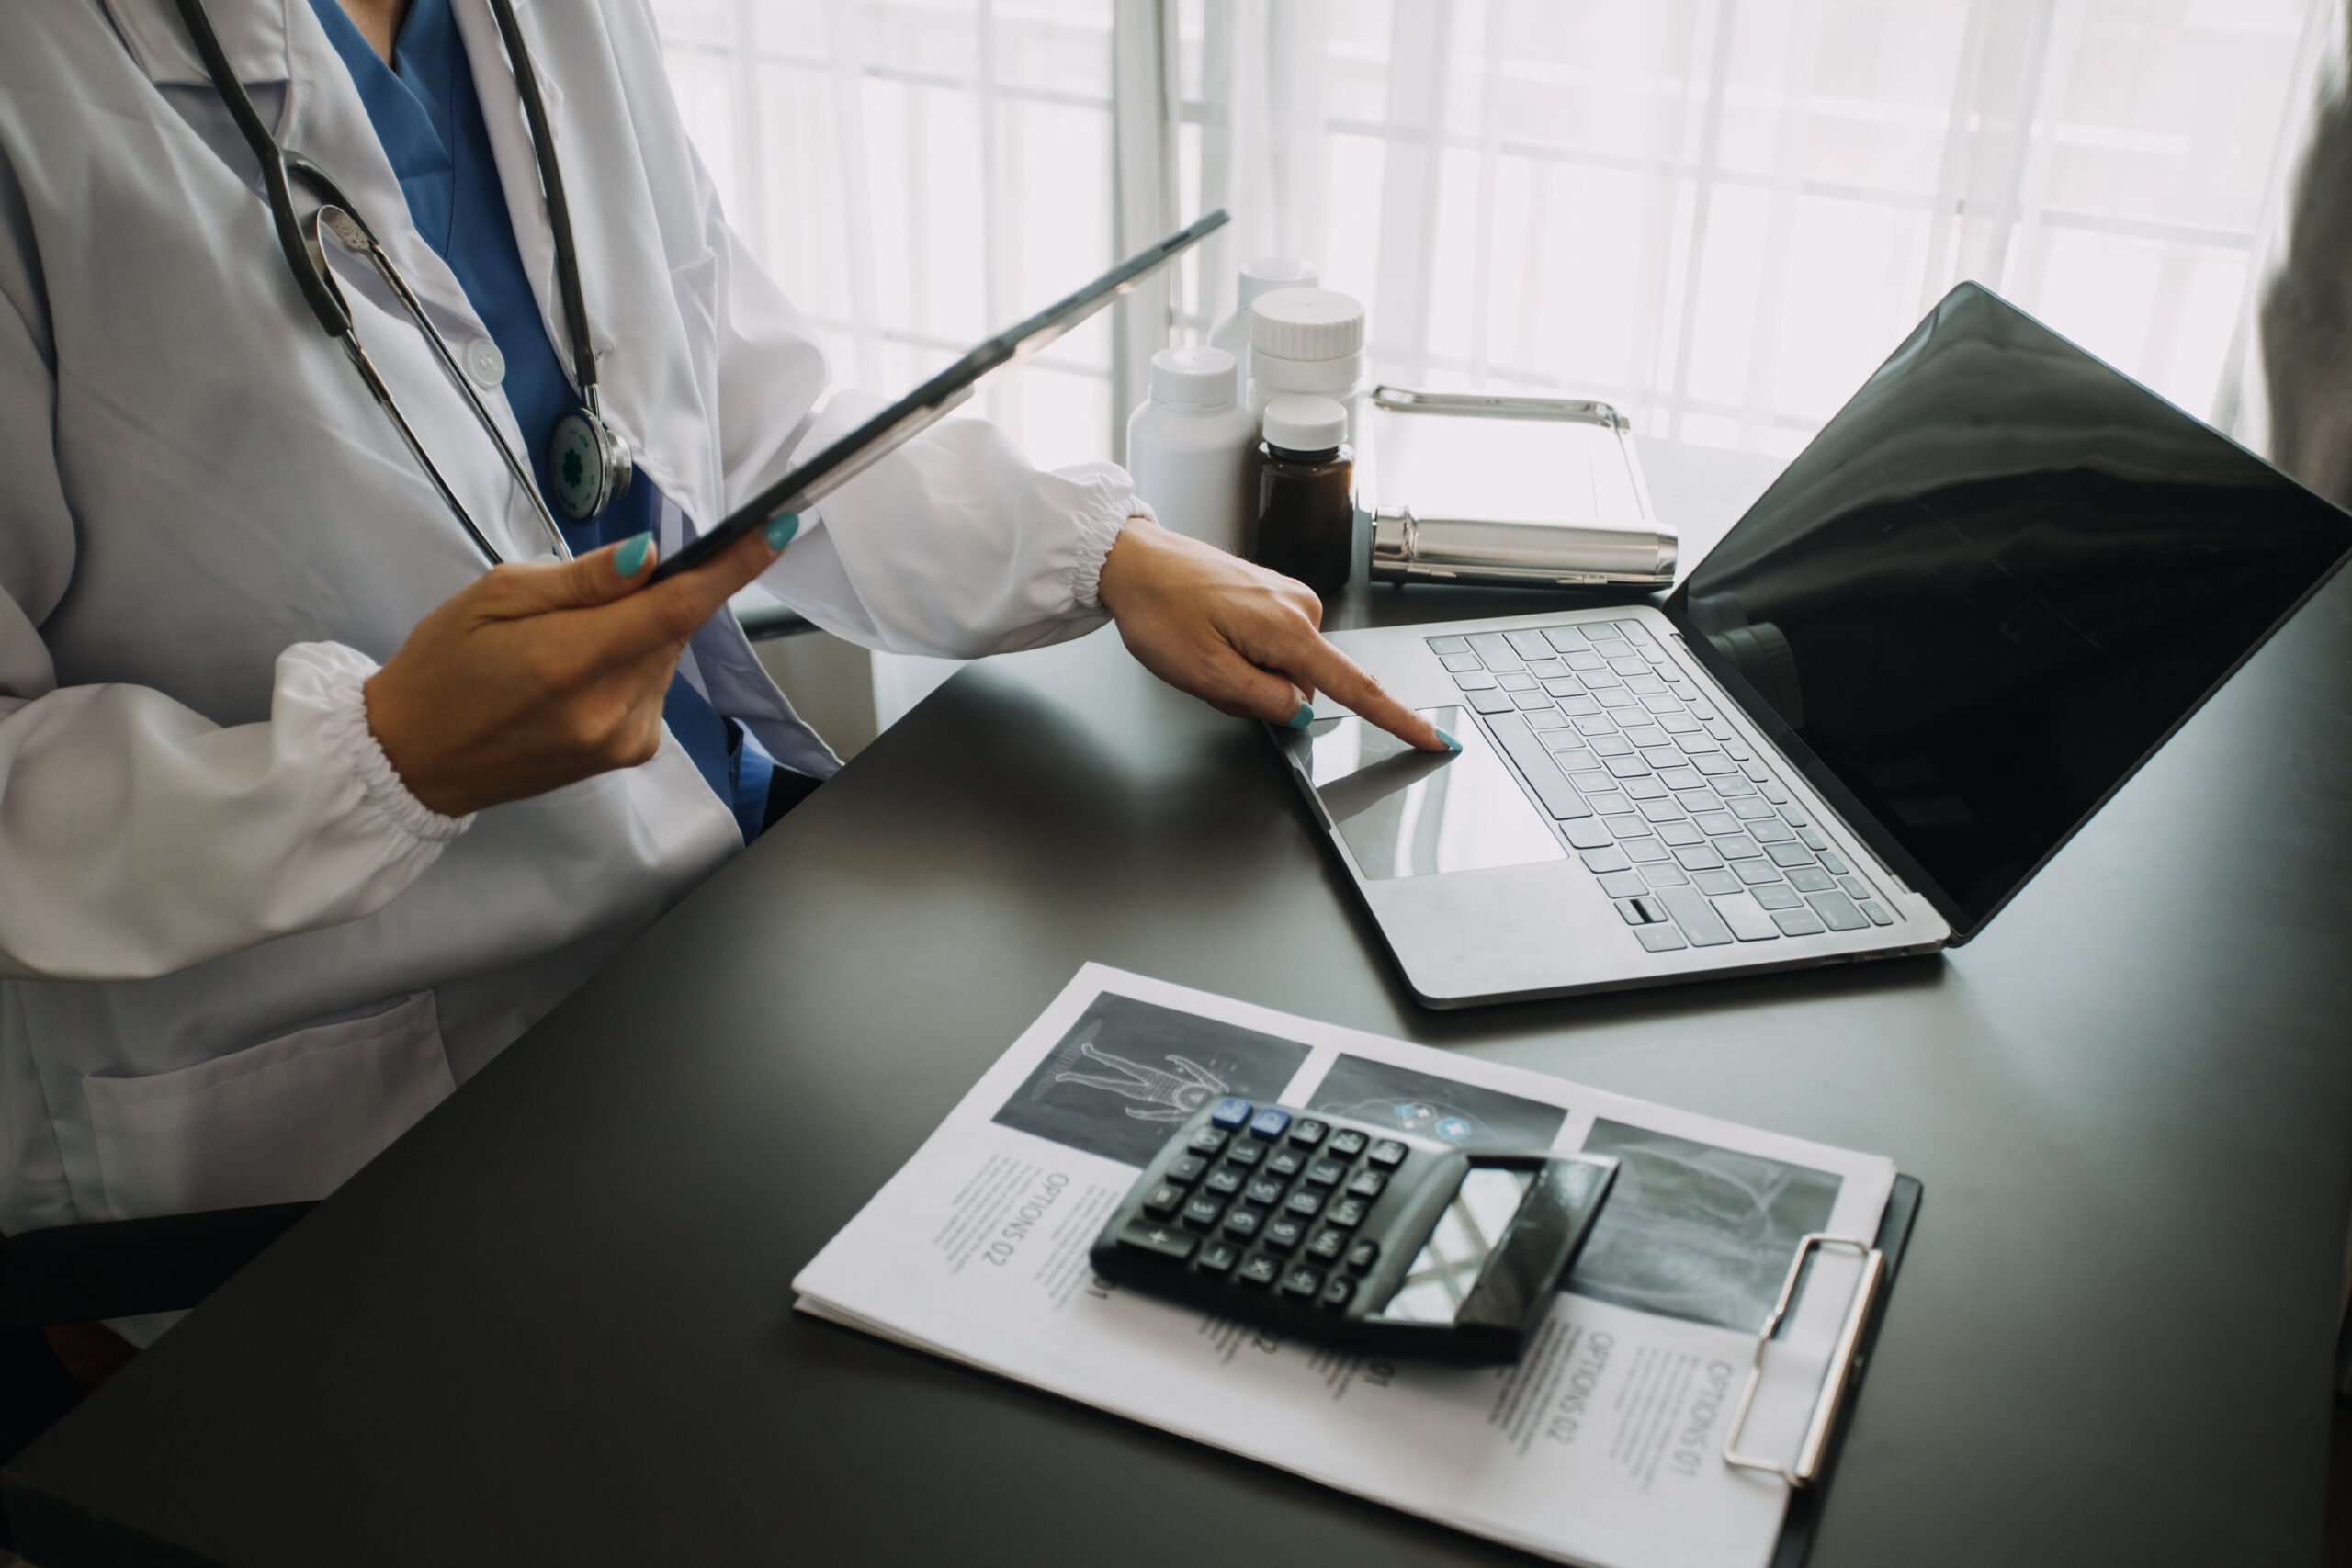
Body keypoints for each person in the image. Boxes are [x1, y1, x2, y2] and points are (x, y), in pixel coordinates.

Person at [0, 0, 1444, 1345]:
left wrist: (1101, 551)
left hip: (713, 946)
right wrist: (378, 759)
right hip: (355, 1110)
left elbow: (743, 426)